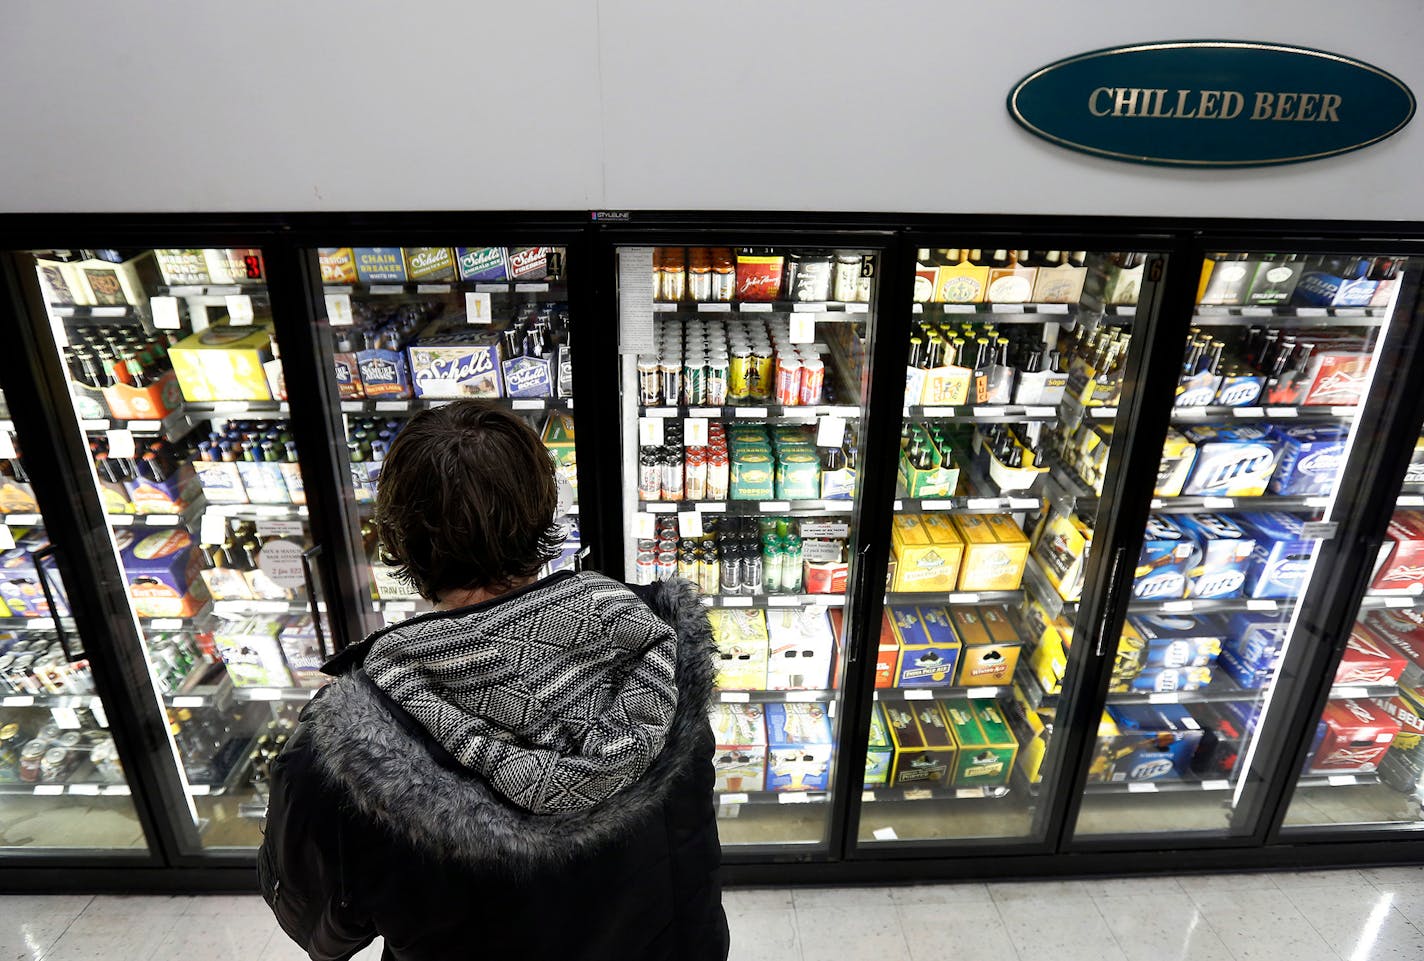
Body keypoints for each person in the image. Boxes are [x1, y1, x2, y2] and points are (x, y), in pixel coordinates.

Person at [259, 399, 728, 961]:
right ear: (544, 514)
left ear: (397, 539)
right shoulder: (656, 643)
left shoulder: (343, 747)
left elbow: (321, 930)